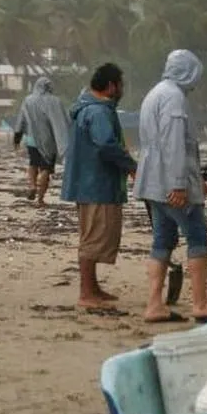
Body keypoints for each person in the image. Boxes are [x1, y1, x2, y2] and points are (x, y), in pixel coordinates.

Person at [134, 49, 207, 323]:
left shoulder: (155, 94)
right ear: (188, 72)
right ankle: (201, 303)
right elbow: (174, 144)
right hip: (169, 182)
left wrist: (197, 178)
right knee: (198, 236)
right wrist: (179, 184)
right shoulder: (174, 98)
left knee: (162, 239)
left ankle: (154, 304)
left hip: (151, 181)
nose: (196, 83)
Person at [60, 63, 138, 309]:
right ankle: (86, 293)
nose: (122, 89)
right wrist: (132, 166)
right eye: (121, 85)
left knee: (90, 236)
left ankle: (93, 288)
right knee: (93, 239)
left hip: (88, 183)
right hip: (96, 184)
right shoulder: (98, 113)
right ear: (112, 86)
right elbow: (106, 145)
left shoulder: (89, 109)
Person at [13, 76, 71, 206]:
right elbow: (63, 122)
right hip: (49, 141)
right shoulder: (55, 101)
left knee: (33, 164)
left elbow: (21, 120)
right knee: (46, 168)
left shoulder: (28, 100)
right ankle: (40, 199)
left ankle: (33, 186)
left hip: (31, 140)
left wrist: (17, 137)